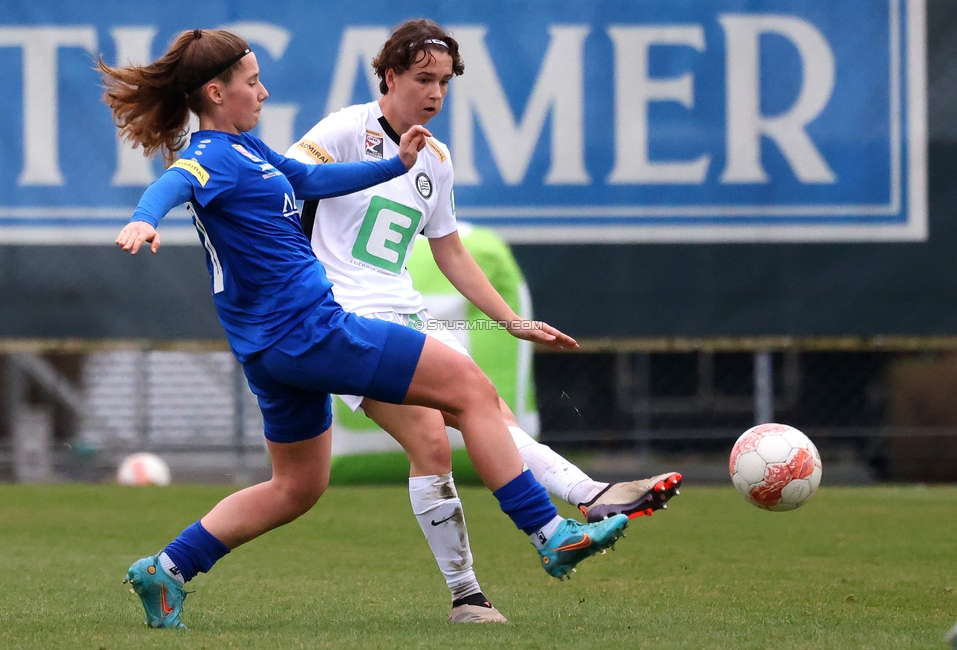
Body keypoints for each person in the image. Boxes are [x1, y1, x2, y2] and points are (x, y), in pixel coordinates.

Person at [99, 28, 630, 630]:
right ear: (217, 93)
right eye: (252, 83)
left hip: (269, 350)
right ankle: (550, 531)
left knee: (296, 487)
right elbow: (175, 181)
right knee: (472, 391)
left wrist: (394, 165)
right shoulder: (213, 156)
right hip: (310, 333)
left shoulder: (250, 152)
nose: (263, 92)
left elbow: (313, 182)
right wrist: (144, 220)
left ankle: (166, 569)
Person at [285, 19, 682, 624]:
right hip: (342, 321)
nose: (435, 93)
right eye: (422, 78)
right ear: (388, 76)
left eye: (444, 82)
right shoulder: (344, 128)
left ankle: (471, 596)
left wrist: (511, 320)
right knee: (472, 407)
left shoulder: (435, 159)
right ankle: (577, 505)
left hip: (402, 315)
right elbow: (290, 177)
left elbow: (450, 253)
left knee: (449, 433)